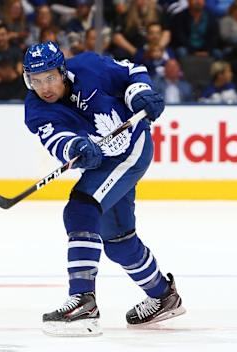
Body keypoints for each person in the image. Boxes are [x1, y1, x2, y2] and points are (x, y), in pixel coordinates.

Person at [22, 41, 185, 336]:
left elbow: (133, 72)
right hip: (101, 164)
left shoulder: (90, 67)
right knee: (118, 241)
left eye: (49, 77)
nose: (44, 87)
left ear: (62, 71)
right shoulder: (35, 109)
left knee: (80, 209)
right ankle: (164, 295)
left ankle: (83, 300)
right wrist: (75, 146)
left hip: (132, 149)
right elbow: (56, 140)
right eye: (36, 80)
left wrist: (141, 94)